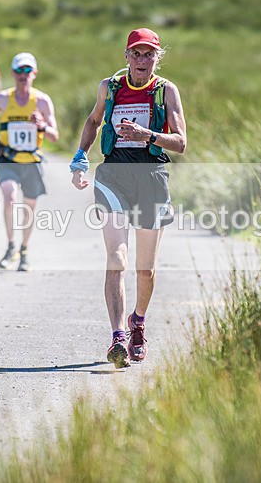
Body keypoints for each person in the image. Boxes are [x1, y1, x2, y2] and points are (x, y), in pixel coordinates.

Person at [70, 28, 187, 368]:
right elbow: (94, 121)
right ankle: (118, 336)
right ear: (126, 56)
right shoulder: (110, 88)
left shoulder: (166, 91)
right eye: (136, 53)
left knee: (145, 270)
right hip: (114, 177)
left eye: (148, 54)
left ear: (157, 58)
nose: (141, 60)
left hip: (151, 178)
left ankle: (138, 322)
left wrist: (145, 134)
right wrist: (80, 157)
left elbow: (180, 142)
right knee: (117, 258)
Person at [0, 52, 59, 271]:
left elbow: (55, 136)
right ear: (13, 73)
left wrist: (42, 125)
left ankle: (23, 250)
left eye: (27, 70)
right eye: (19, 70)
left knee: (29, 206)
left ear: (34, 73)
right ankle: (10, 246)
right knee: (9, 196)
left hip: (32, 161)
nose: (23, 74)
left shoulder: (42, 101)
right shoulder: (2, 99)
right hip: (7, 158)